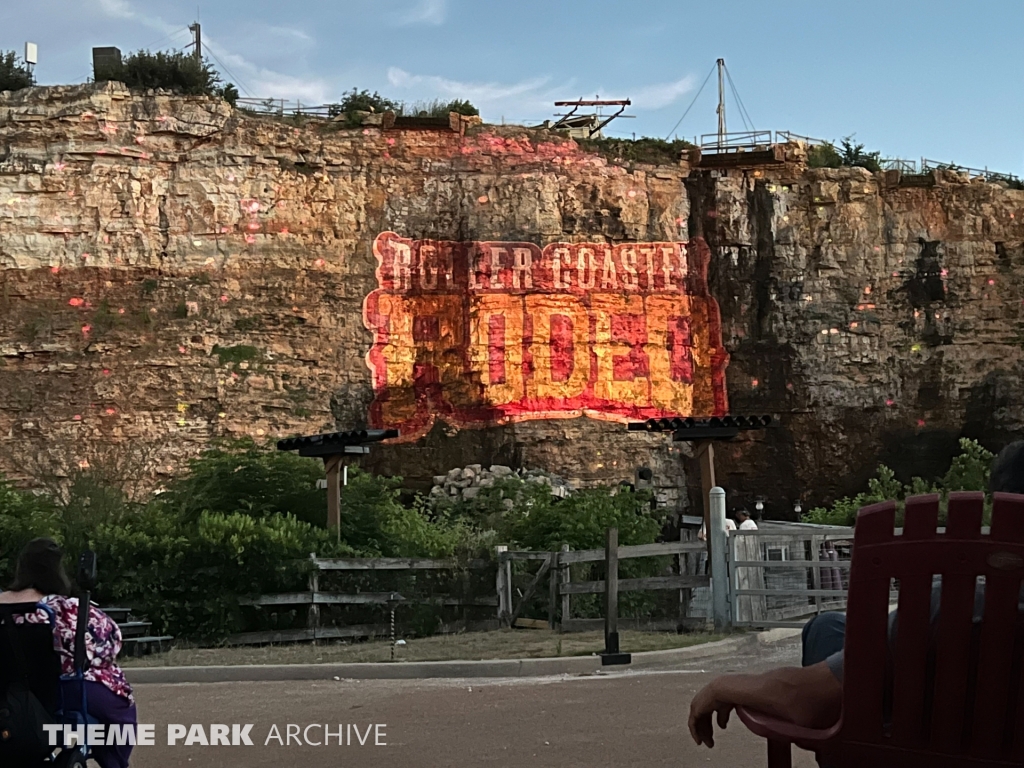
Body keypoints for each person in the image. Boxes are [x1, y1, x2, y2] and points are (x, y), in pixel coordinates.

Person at [688, 439, 1024, 751]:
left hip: (907, 751)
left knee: (830, 635)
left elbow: (803, 700)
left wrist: (723, 685)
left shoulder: (955, 606)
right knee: (830, 626)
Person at [0, 539, 137, 768]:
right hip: (58, 691)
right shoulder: (65, 607)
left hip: (8, 690)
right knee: (119, 704)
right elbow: (110, 642)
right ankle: (114, 762)